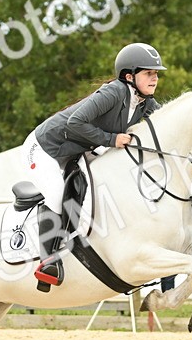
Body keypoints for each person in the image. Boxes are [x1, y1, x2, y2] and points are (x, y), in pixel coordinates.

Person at [23, 43, 165, 286]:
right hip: (45, 148)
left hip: (76, 150)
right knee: (57, 194)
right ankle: (48, 263)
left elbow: (165, 125)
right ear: (129, 76)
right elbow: (75, 123)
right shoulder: (113, 92)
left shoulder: (144, 103)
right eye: (149, 73)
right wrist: (111, 139)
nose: (155, 79)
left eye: (156, 74)